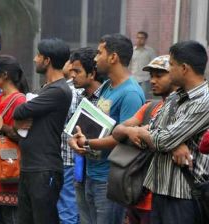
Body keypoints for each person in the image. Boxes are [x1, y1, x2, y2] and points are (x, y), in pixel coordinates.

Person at [69, 34, 145, 224]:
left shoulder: (131, 93)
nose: (95, 59)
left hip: (110, 179)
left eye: (100, 52)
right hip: (91, 173)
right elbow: (89, 122)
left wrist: (86, 143)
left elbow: (124, 139)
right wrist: (74, 138)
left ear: (113, 57)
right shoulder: (106, 87)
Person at [132, 41, 209, 224]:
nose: (169, 69)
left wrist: (148, 134)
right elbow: (152, 131)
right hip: (160, 188)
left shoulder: (204, 101)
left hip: (185, 194)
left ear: (184, 68)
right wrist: (169, 140)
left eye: (171, 65)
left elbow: (161, 139)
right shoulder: (175, 96)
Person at [13, 38, 72, 224]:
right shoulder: (44, 90)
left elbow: (19, 110)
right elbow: (17, 119)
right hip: (29, 166)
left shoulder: (59, 91)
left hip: (45, 168)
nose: (34, 59)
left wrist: (20, 116)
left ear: (47, 60)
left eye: (38, 55)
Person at [112, 55, 175, 224]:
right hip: (136, 193)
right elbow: (117, 130)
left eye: (159, 76)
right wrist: (132, 131)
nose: (153, 81)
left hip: (163, 198)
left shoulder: (182, 111)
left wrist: (138, 131)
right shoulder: (150, 107)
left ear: (176, 75)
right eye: (151, 76)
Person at [0, 55, 28, 224]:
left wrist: (2, 127)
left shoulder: (20, 101)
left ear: (5, 75)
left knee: (11, 217)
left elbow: (24, 136)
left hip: (10, 165)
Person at [68, 47, 106, 224]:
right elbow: (73, 132)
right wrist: (72, 140)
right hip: (81, 171)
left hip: (102, 175)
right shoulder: (80, 97)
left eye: (77, 71)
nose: (72, 75)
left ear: (92, 74)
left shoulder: (106, 98)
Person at [57, 55, 82, 224]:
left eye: (75, 69)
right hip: (74, 157)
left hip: (67, 157)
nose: (72, 73)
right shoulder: (73, 89)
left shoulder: (71, 90)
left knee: (67, 209)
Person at [129, 31, 156, 99]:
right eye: (138, 38)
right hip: (134, 78)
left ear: (145, 39)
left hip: (145, 79)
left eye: (142, 38)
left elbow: (154, 65)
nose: (139, 40)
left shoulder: (150, 51)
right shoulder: (132, 50)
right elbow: (129, 64)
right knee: (134, 97)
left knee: (144, 98)